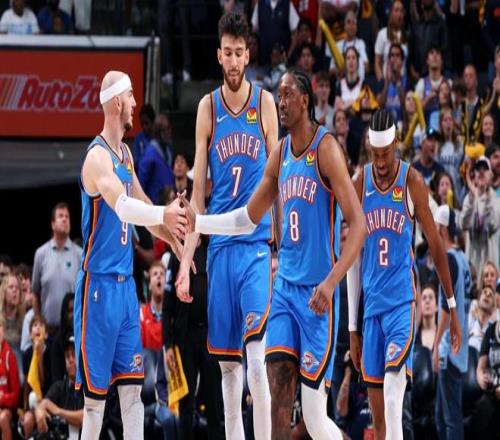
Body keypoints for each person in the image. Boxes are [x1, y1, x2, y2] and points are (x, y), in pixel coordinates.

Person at [185, 67, 366, 439]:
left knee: (314, 419)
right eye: (278, 96)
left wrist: (331, 283)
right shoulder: (280, 153)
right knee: (276, 395)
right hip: (284, 291)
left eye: (287, 95)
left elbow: (359, 226)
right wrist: (198, 222)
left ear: (305, 100)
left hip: (318, 297)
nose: (280, 102)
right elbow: (246, 218)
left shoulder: (326, 149)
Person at [175, 12, 279, 440]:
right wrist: (185, 261)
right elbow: (197, 197)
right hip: (219, 252)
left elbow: (280, 180)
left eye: (240, 53)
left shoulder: (265, 103)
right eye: (228, 53)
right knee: (229, 374)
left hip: (255, 246)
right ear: (218, 55)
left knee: (256, 361)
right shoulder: (208, 108)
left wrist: (283, 247)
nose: (234, 62)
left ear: (248, 55)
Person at [74, 69, 188, 440]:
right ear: (115, 102)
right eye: (131, 97)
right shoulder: (97, 158)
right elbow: (123, 206)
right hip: (98, 289)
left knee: (133, 395)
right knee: (95, 405)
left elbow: (146, 208)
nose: (136, 104)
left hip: (126, 292)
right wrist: (164, 214)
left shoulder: (125, 154)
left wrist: (176, 242)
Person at [347, 109, 462, 440]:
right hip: (371, 312)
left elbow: (437, 247)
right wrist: (353, 327)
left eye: (386, 153)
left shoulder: (412, 181)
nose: (381, 161)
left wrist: (452, 305)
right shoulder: (359, 183)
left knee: (393, 400)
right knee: (379, 421)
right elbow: (353, 259)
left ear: (396, 143)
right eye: (375, 154)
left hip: (401, 305)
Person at [433, 204, 470, 440]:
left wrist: (436, 345)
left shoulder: (448, 259)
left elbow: (447, 309)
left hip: (449, 348)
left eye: (435, 226)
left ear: (443, 229)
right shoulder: (463, 258)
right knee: (440, 417)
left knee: (450, 420)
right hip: (459, 347)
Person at [32, 202, 82, 333]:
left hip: (73, 330)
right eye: (60, 216)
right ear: (53, 224)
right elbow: (35, 293)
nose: (65, 219)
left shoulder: (79, 254)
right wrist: (38, 321)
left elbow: (84, 292)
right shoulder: (41, 254)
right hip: (48, 330)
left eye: (67, 216)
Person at [30, 338, 84, 438]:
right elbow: (44, 403)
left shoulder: (89, 388)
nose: (70, 360)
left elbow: (85, 418)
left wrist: (57, 411)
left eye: (74, 355)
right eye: (67, 356)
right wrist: (39, 411)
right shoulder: (60, 386)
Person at [0, 316, 21, 440]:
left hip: (7, 409)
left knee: (2, 418)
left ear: (3, 331)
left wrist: (2, 398)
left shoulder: (9, 356)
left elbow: (16, 396)